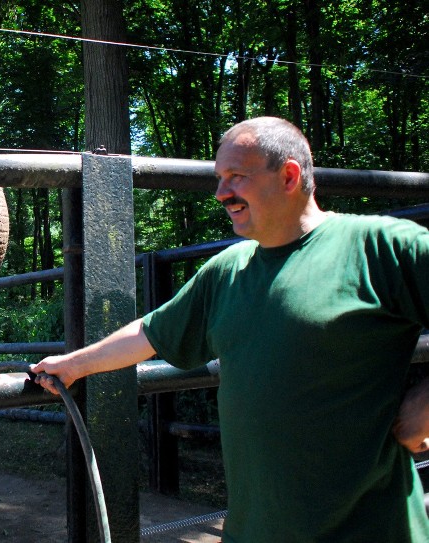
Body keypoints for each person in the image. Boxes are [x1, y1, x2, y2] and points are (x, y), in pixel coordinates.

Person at [32, 116, 429, 542]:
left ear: (290, 175)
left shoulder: (379, 247)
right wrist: (73, 365)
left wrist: (421, 411)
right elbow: (150, 333)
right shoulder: (227, 271)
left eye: (236, 177)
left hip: (371, 528)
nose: (221, 193)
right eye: (219, 178)